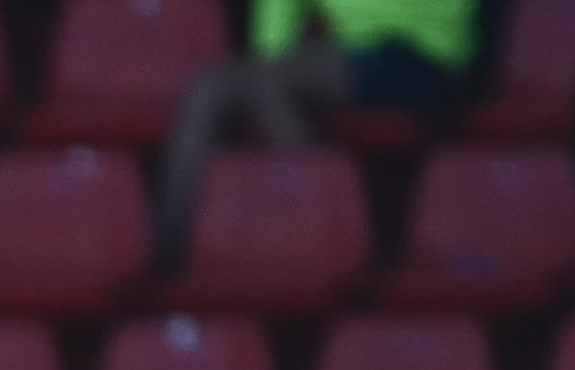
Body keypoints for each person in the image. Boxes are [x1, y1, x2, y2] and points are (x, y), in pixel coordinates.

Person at [159, 0, 482, 257]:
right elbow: (275, 37)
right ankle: (169, 248)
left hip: (421, 53)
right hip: (349, 54)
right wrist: (267, 61)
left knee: (271, 83)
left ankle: (321, 220)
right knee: (208, 88)